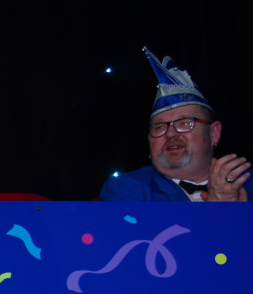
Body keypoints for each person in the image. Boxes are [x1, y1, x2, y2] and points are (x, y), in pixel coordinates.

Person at [100, 48, 244, 203]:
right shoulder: (127, 189)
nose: (170, 133)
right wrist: (219, 209)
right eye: (159, 127)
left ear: (213, 133)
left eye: (184, 123)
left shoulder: (248, 184)